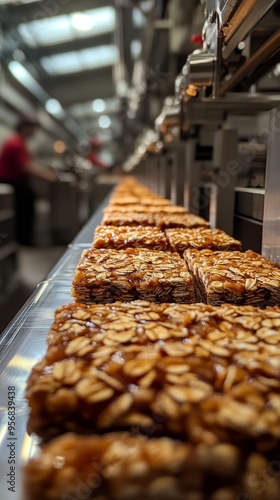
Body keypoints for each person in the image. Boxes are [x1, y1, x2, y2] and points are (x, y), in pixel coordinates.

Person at [0, 116, 56, 245]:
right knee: (24, 208)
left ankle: (23, 237)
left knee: (26, 204)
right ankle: (23, 239)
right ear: (25, 128)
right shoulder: (16, 143)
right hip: (12, 181)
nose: (34, 132)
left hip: (15, 180)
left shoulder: (18, 141)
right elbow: (26, 166)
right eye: (32, 129)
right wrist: (48, 176)